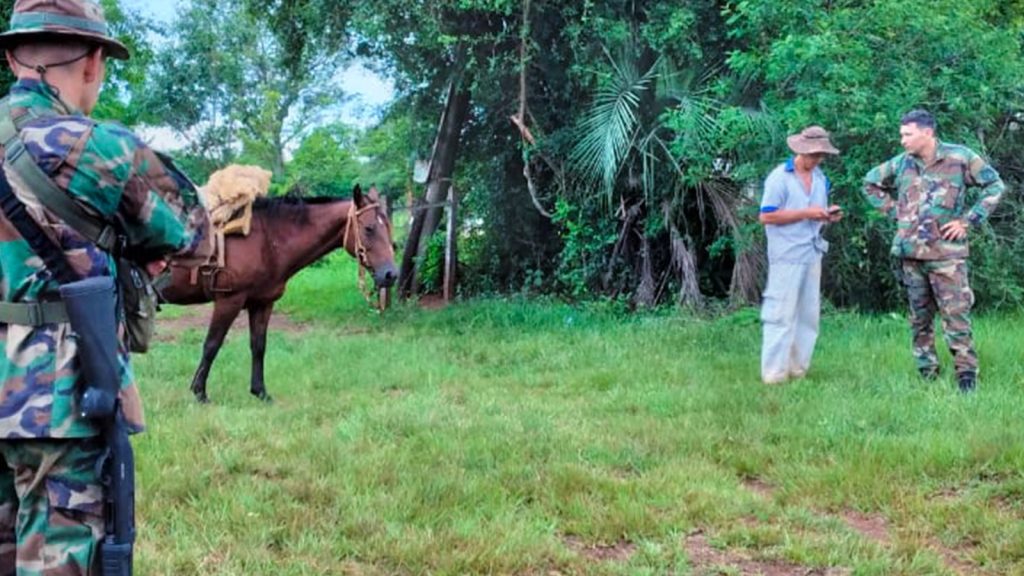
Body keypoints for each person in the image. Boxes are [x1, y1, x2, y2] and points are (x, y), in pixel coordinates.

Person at [0, 1, 211, 573]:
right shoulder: (103, 150)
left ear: (12, 53)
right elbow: (196, 236)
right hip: (61, 400)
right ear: (93, 61)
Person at [863, 109, 1005, 393]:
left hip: (947, 257)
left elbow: (995, 185)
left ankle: (966, 376)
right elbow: (869, 183)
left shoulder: (960, 157)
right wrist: (897, 212)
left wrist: (968, 220)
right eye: (901, 134)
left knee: (956, 315)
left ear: (927, 133)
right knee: (919, 318)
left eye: (908, 134)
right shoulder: (902, 163)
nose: (902, 140)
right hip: (911, 254)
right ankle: (926, 372)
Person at [759, 126, 842, 385]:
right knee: (780, 314)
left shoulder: (821, 178)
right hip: (786, 255)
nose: (818, 159)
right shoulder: (779, 178)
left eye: (821, 155)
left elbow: (817, 212)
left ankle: (798, 369)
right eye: (814, 154)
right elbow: (766, 215)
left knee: (808, 315)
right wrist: (808, 213)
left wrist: (828, 215)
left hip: (812, 252)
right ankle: (773, 374)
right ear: (800, 151)